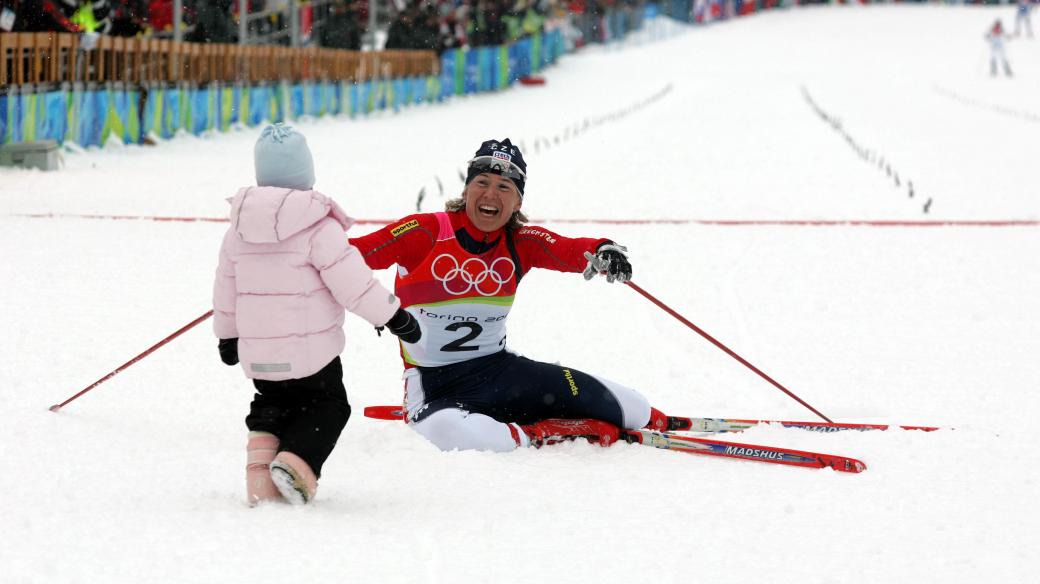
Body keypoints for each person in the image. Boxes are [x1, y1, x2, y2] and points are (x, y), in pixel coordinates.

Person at [349, 138, 675, 453]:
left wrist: (601, 249)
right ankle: (539, 433)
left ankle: (644, 419)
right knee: (457, 433)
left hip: (501, 373)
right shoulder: (424, 232)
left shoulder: (519, 242)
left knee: (634, 409)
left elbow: (567, 248)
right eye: (482, 182)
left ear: (517, 202)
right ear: (466, 190)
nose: (491, 194)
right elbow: (346, 258)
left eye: (505, 187)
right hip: (436, 390)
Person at [213, 124, 421, 506]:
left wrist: (227, 336)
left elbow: (225, 290)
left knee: (270, 406)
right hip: (312, 356)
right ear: (306, 173)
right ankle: (297, 465)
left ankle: (260, 481)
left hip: (259, 357)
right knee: (329, 406)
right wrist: (394, 317)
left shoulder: (238, 230)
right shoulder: (319, 227)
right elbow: (353, 284)